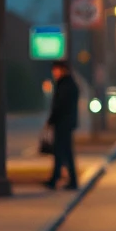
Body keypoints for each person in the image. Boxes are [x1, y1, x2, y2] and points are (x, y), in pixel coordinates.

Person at [44, 59, 79, 190]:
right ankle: (58, 178)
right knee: (63, 153)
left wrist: (51, 119)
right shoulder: (68, 84)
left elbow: (60, 105)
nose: (54, 73)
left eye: (56, 70)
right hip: (66, 123)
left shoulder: (65, 85)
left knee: (63, 152)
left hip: (63, 123)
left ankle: (59, 179)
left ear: (62, 69)